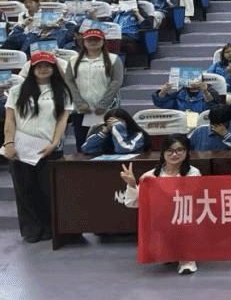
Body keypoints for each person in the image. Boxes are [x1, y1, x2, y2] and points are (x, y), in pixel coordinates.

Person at [3, 51, 72, 243]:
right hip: (21, 148)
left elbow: (62, 120)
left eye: (47, 66)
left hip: (48, 149)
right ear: (32, 68)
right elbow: (10, 119)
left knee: (47, 191)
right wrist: (9, 143)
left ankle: (50, 228)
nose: (43, 69)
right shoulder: (17, 91)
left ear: (53, 68)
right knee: (25, 191)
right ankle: (31, 230)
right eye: (39, 66)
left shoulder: (62, 91)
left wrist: (54, 143)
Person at [119, 134, 202, 275]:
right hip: (161, 220)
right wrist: (132, 185)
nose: (174, 154)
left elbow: (189, 199)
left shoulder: (193, 173)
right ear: (163, 152)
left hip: (186, 217)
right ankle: (170, 253)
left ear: (186, 152)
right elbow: (132, 203)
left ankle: (187, 260)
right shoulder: (150, 176)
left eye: (179, 150)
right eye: (170, 150)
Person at [66, 28, 125, 151]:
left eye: (97, 39)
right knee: (83, 147)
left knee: (107, 146)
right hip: (82, 112)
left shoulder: (114, 59)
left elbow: (116, 82)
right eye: (89, 39)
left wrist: (103, 104)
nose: (93, 42)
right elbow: (69, 82)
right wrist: (79, 103)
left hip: (107, 111)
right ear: (83, 42)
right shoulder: (73, 60)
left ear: (103, 41)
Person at [81, 108, 149, 155]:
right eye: (110, 122)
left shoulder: (138, 135)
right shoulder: (104, 133)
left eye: (119, 121)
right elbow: (86, 149)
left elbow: (123, 149)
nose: (114, 124)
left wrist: (118, 127)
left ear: (127, 121)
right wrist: (103, 133)